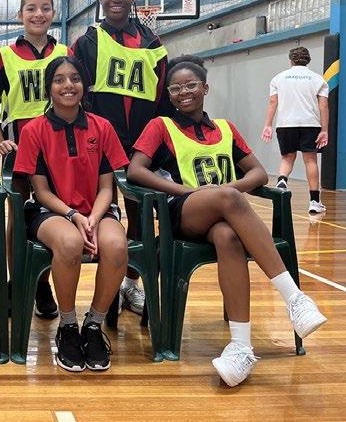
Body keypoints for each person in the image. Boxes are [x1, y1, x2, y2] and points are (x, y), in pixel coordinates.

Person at [127, 55, 327, 387]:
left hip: (224, 216)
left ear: (205, 88)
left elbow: (258, 173)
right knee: (228, 199)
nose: (183, 92)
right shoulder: (160, 126)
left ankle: (241, 347)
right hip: (183, 212)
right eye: (175, 88)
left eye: (191, 85)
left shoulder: (225, 128)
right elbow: (135, 170)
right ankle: (294, 299)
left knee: (228, 237)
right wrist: (189, 191)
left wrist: (226, 191)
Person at [13, 56, 128, 372]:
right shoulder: (34, 130)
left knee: (117, 246)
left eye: (75, 78)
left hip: (97, 210)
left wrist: (93, 218)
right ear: (49, 87)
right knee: (69, 244)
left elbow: (106, 188)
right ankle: (67, 326)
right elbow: (41, 191)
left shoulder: (102, 127)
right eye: (59, 79)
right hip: (51, 211)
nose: (68, 85)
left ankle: (93, 325)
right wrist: (74, 215)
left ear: (85, 85)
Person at [71, 0, 172, 317]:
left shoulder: (153, 44)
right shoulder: (87, 41)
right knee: (102, 213)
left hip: (141, 146)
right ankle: (105, 291)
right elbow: (74, 91)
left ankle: (129, 283)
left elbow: (162, 99)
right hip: (97, 144)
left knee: (139, 217)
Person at [0, 0, 67, 318]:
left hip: (58, 149)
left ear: (53, 14)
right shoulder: (6, 55)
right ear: (20, 15)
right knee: (17, 216)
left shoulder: (64, 51)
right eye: (31, 8)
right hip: (19, 148)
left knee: (52, 215)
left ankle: (42, 283)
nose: (38, 14)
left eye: (45, 8)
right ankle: (16, 280)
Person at [261, 46, 329, 214]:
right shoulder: (318, 79)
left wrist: (268, 125)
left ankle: (282, 181)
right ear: (308, 60)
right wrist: (324, 130)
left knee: (287, 158)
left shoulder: (278, 78)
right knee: (310, 161)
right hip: (310, 124)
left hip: (285, 124)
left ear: (291, 60)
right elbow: (324, 106)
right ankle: (314, 202)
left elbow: (273, 103)